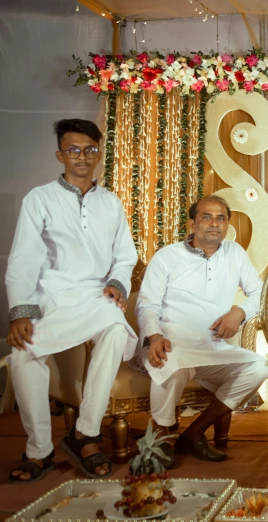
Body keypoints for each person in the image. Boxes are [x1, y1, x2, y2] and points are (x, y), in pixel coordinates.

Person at [5, 119, 138, 482]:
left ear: (99, 154)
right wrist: (21, 310)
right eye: (74, 150)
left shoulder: (111, 202)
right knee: (21, 354)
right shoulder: (40, 198)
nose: (82, 157)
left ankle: (86, 434)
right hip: (50, 295)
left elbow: (126, 256)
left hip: (95, 293)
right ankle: (39, 450)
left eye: (90, 150)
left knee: (114, 327)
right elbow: (24, 258)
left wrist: (116, 284)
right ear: (60, 154)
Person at [136, 195, 267, 463]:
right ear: (192, 223)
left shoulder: (234, 253)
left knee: (257, 366)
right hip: (170, 341)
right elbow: (146, 303)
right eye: (207, 217)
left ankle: (194, 433)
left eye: (221, 218)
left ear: (228, 224)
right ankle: (160, 438)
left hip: (211, 346)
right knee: (169, 361)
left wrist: (239, 311)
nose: (214, 224)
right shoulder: (168, 256)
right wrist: (154, 335)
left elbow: (259, 293)